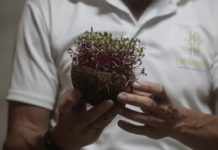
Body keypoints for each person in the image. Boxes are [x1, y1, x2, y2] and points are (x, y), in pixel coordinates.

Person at [3, 0, 218, 149]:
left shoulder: (211, 9)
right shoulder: (49, 7)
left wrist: (178, 123)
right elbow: (18, 137)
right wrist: (58, 141)